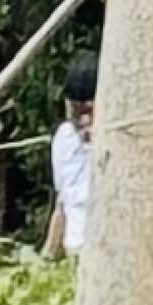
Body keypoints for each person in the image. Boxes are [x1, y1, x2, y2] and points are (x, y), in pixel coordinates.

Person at [44, 62, 99, 256]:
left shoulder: (121, 139)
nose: (84, 121)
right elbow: (62, 202)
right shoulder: (64, 137)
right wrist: (48, 256)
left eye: (90, 111)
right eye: (77, 112)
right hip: (74, 249)